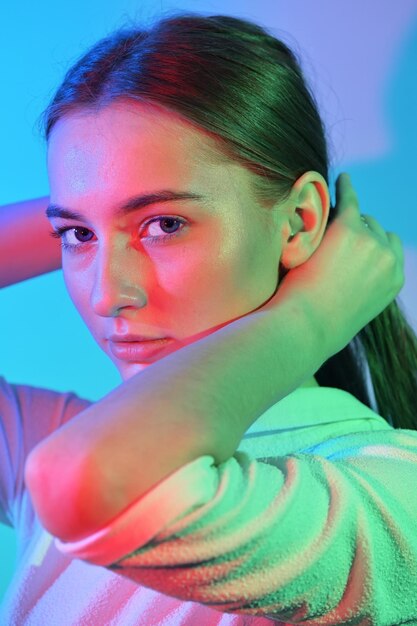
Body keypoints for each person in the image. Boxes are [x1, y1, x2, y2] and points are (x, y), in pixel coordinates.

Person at [1, 11, 417, 626]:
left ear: (301, 222)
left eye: (164, 225)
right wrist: (108, 192)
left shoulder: (388, 492)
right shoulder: (64, 442)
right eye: (75, 235)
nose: (105, 294)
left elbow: (86, 479)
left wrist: (311, 317)